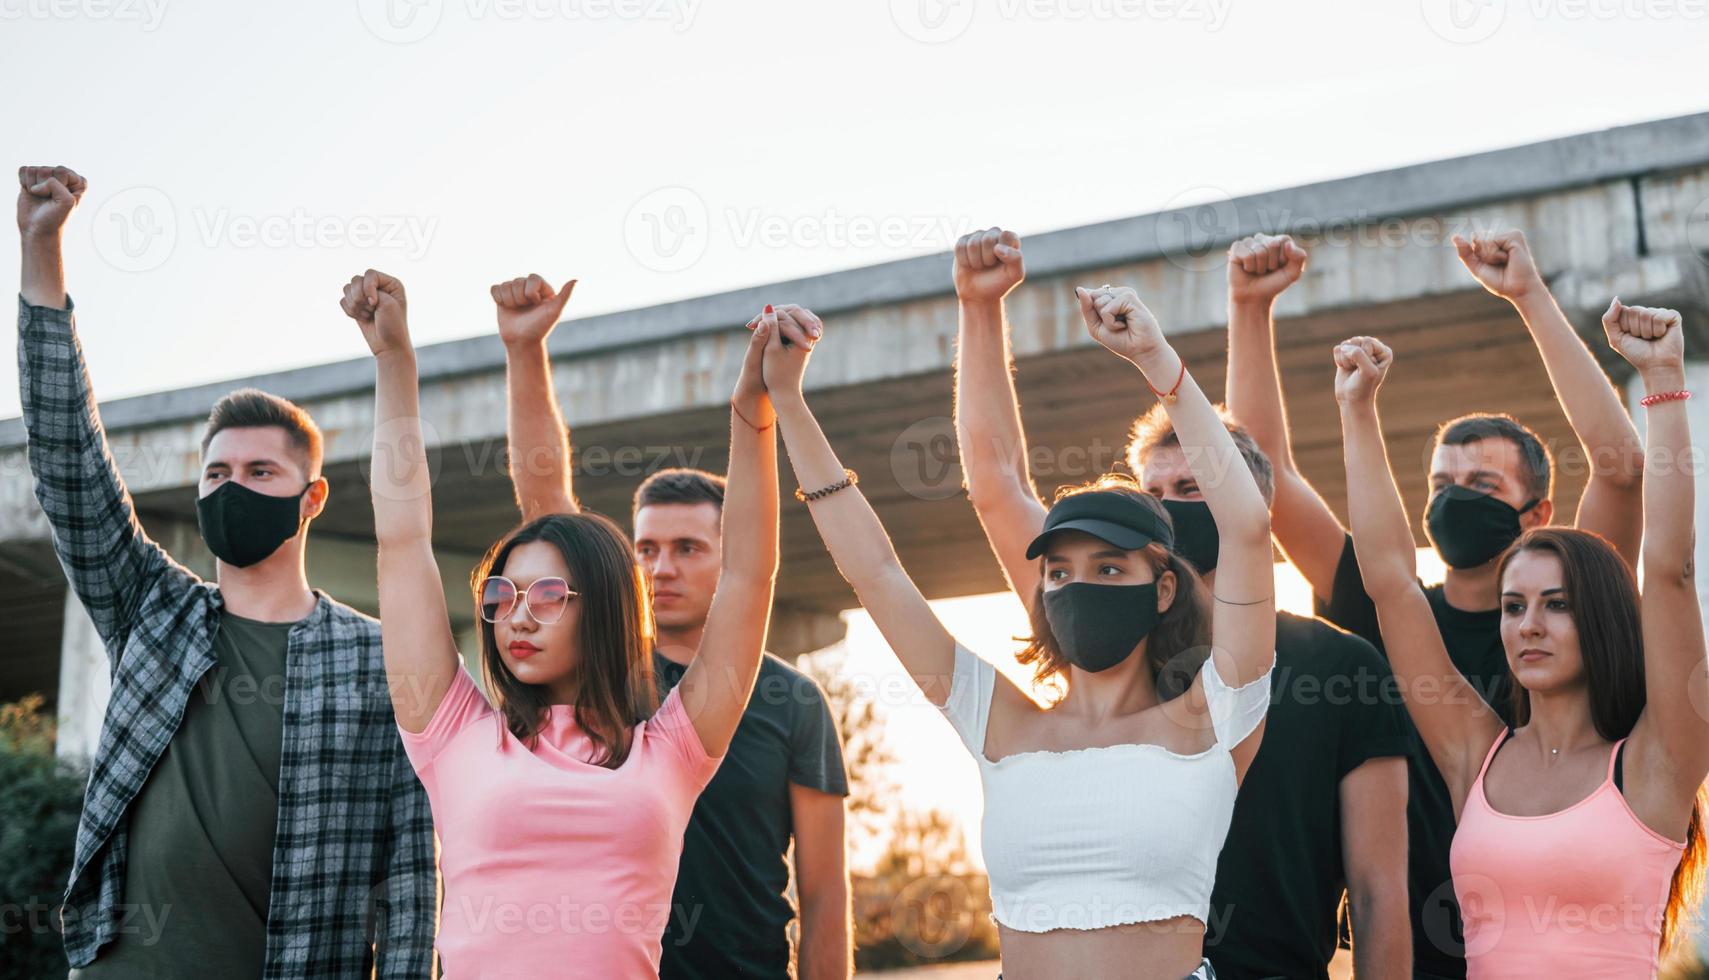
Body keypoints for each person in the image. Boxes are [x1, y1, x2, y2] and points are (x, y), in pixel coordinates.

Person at [767, 285, 1275, 979]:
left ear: (1162, 589)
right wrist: (788, 403)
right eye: (1059, 573)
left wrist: (1156, 361)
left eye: (1107, 566)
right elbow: (876, 572)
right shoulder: (1001, 724)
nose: (1077, 586)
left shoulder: (1213, 715)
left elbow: (1246, 525)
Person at [951, 226, 1412, 978]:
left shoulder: (1339, 662)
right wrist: (977, 308)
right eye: (1155, 493)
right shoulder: (1098, 634)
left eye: (1193, 488)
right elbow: (996, 483)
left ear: (1248, 495)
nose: (1170, 507)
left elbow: (1376, 888)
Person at [16, 165, 435, 978]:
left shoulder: (377, 664)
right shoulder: (154, 612)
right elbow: (68, 460)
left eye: (259, 474)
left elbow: (412, 877)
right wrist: (42, 252)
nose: (230, 489)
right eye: (216, 475)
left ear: (311, 498)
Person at [1222, 229, 1645, 976]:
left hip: (1542, 926)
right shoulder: (1381, 606)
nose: (1455, 501)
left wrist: (1527, 295)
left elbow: (1618, 470)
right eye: (1442, 486)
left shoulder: (1578, 614)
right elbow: (1258, 476)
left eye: (1482, 487)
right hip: (1400, 945)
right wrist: (1248, 308)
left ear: (1537, 512)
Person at [343, 268, 780, 976]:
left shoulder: (671, 746)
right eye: (501, 596)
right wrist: (394, 362)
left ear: (604, 605)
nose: (515, 616)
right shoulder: (452, 734)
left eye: (546, 595)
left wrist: (754, 410)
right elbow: (402, 539)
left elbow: (749, 577)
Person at [489, 273, 852, 979]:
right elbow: (545, 498)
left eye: (687, 549)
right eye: (646, 549)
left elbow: (823, 891)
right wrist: (525, 352)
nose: (660, 567)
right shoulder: (595, 671)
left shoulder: (790, 701)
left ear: (728, 555)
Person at [1331, 302, 1709, 977]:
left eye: (1556, 605)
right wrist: (1356, 410)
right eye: (1512, 606)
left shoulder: (1657, 760)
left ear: (1598, 618)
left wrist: (1663, 382)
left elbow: (1671, 571)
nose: (1527, 623)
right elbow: (1389, 580)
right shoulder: (1473, 754)